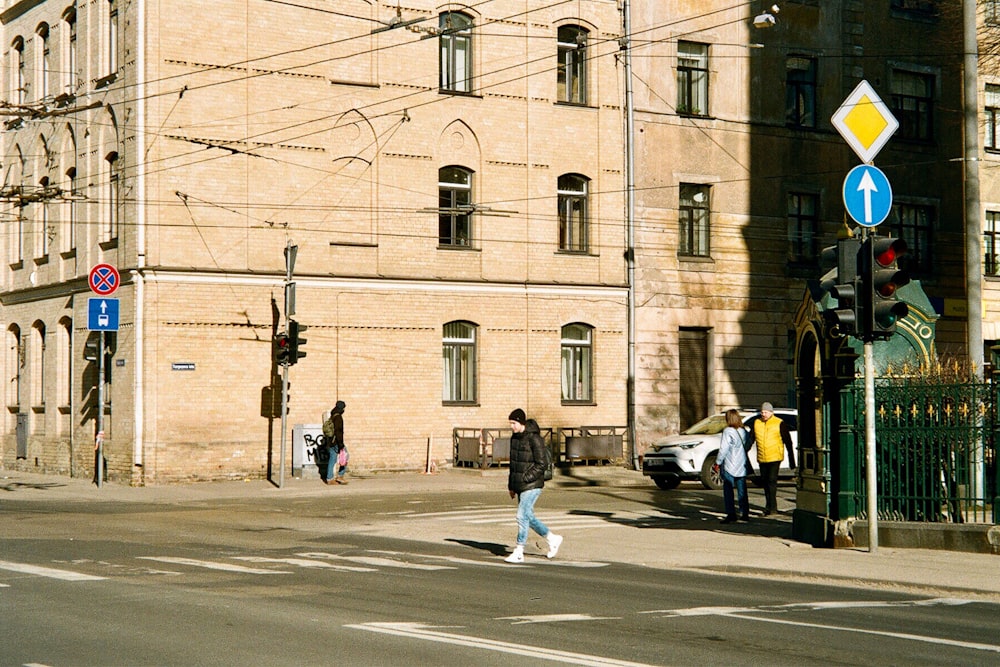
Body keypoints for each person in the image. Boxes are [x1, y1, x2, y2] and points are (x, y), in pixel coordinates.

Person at [504, 408, 562, 563]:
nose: (512, 426)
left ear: (521, 422)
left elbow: (541, 463)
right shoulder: (514, 438)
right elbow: (514, 464)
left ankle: (519, 551)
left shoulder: (534, 438)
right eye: (511, 423)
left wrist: (526, 477)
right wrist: (511, 485)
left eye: (514, 423)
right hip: (520, 484)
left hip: (533, 484)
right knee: (528, 516)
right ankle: (552, 539)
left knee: (521, 515)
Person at [750, 402, 795, 516]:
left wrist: (791, 459)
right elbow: (751, 439)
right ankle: (768, 506)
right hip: (762, 457)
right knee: (765, 481)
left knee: (771, 480)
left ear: (771, 412)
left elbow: (787, 441)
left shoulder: (779, 423)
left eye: (766, 412)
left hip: (775, 456)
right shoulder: (757, 423)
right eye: (762, 412)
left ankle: (773, 507)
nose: (763, 414)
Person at [713, 409, 750, 523]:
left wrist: (718, 462)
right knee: (742, 490)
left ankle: (731, 514)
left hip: (730, 463)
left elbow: (724, 449)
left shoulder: (728, 431)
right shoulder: (744, 431)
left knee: (728, 490)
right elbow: (747, 445)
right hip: (741, 464)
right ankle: (744, 513)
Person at [323, 401, 349, 485]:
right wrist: (340, 444)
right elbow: (339, 432)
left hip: (331, 441)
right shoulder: (338, 418)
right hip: (337, 442)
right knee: (346, 456)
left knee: (332, 460)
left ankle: (329, 478)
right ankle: (340, 476)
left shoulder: (332, 416)